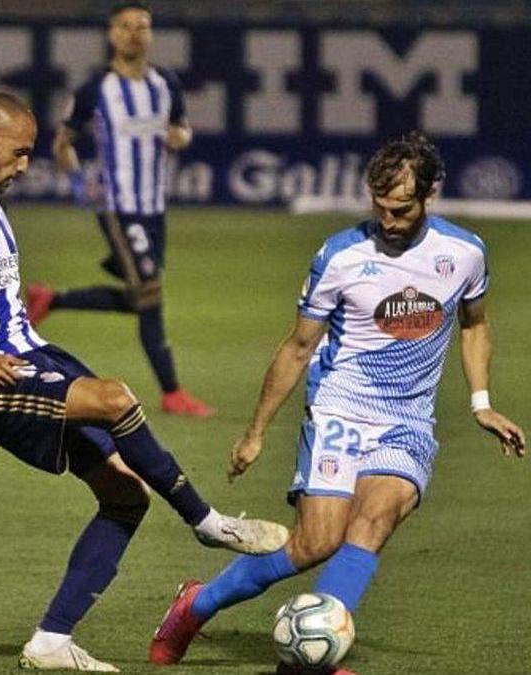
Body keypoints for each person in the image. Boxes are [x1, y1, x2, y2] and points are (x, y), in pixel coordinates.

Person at [0, 91, 289, 672]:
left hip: (30, 354)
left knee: (126, 495)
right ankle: (208, 522)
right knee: (116, 398)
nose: (26, 166)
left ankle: (51, 640)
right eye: (19, 153)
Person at [147, 132, 525, 675]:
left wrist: (481, 402)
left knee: (373, 523)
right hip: (339, 409)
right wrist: (255, 432)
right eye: (379, 208)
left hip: (408, 420)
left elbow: (475, 325)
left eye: (401, 209)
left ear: (430, 195)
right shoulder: (342, 255)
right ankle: (195, 604)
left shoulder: (463, 253)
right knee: (316, 542)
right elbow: (298, 346)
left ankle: (307, 660)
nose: (389, 220)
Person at [25, 1, 212, 417]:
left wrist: (180, 137)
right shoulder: (95, 89)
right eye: (126, 26)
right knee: (149, 292)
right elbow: (62, 144)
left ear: (150, 34)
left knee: (136, 298)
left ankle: (51, 299)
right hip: (117, 206)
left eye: (142, 26)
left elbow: (181, 127)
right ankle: (172, 391)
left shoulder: (166, 83)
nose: (134, 33)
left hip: (154, 208)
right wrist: (79, 185)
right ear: (112, 34)